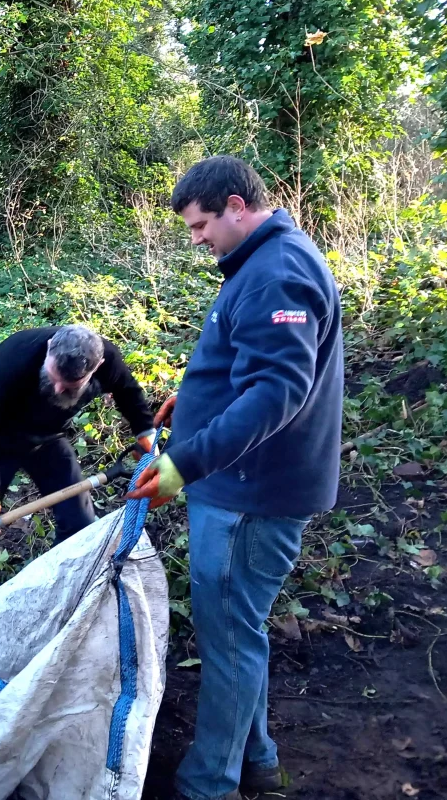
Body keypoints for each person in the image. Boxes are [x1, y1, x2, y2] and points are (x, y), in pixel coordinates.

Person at [129, 156, 344, 800]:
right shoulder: (262, 264)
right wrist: (190, 401)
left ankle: (208, 784)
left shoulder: (278, 272)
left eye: (201, 226)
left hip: (249, 494)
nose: (198, 240)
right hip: (241, 484)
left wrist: (183, 463)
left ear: (235, 205)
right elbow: (244, 369)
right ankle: (257, 760)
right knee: (237, 628)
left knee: (227, 637)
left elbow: (276, 391)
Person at [0, 324, 156, 617]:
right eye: (54, 378)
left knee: (81, 523)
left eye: (70, 386)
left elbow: (128, 392)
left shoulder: (107, 359)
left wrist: (145, 431)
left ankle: (59, 605)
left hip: (46, 439)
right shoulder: (13, 362)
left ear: (97, 367)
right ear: (48, 350)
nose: (58, 389)